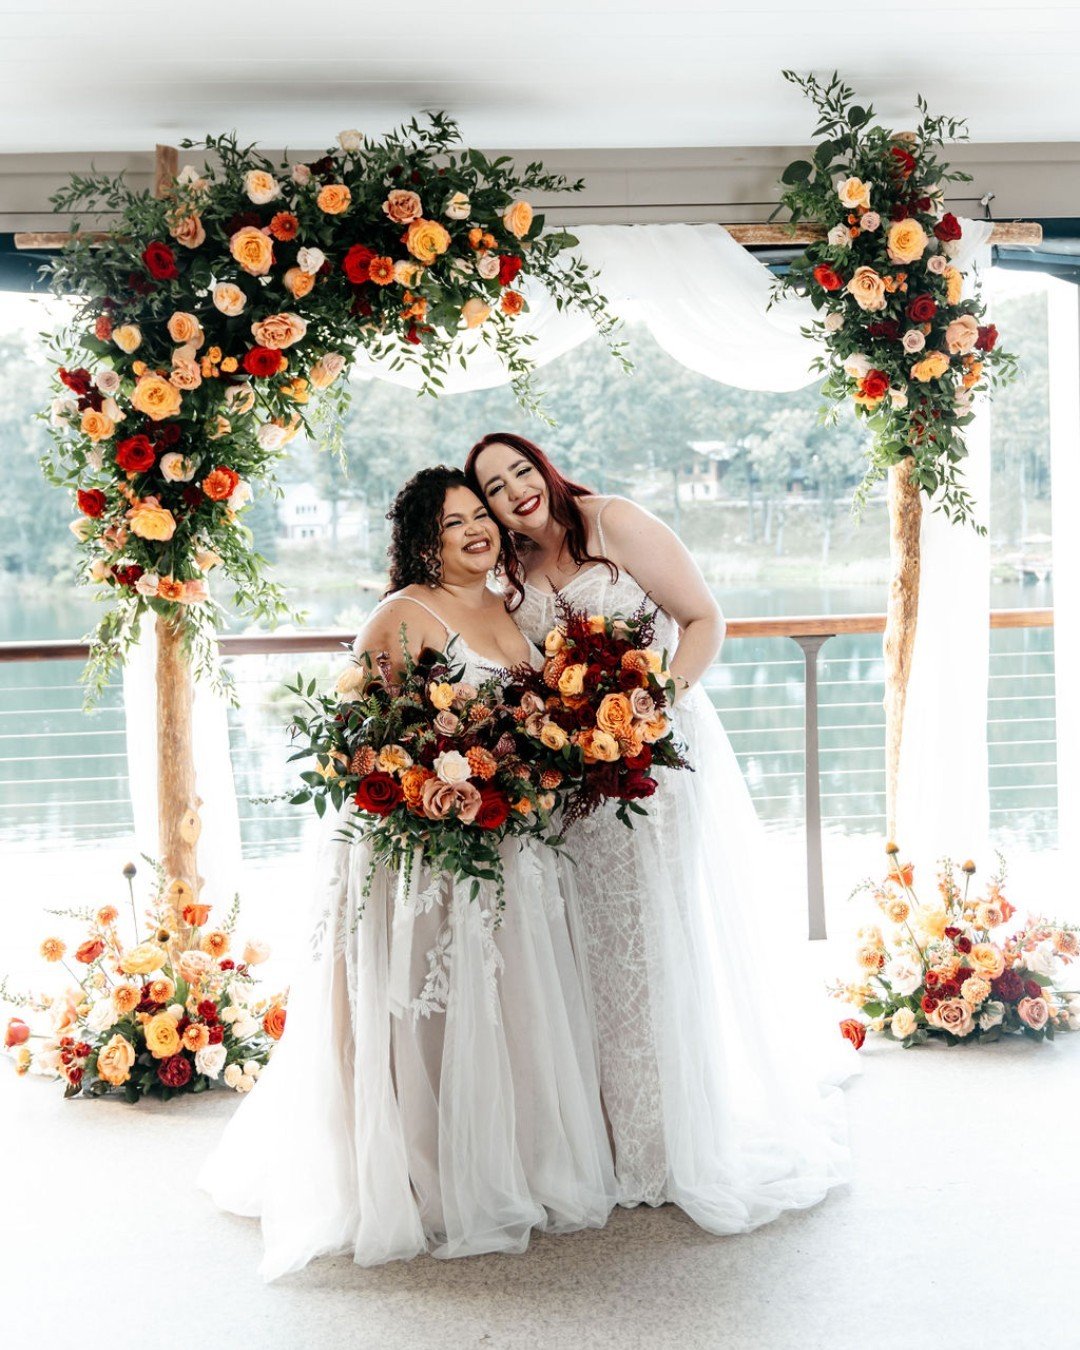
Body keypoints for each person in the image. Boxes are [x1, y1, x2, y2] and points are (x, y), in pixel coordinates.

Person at [199, 466, 615, 1278]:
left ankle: (515, 1163)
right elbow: (359, 742)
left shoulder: (507, 603)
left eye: (479, 516)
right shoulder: (403, 614)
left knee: (507, 1008)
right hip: (424, 850)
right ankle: (422, 1173)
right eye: (452, 521)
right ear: (422, 538)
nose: (474, 531)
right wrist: (436, 780)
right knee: (423, 1010)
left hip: (510, 844)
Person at [465, 432, 853, 1235]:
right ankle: (609, 1138)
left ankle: (671, 1138)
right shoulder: (513, 581)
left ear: (544, 469)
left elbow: (705, 618)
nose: (515, 492)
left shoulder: (614, 523)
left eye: (520, 472)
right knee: (594, 947)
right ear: (493, 512)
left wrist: (654, 706)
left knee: (656, 938)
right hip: (579, 781)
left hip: (658, 759)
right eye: (496, 489)